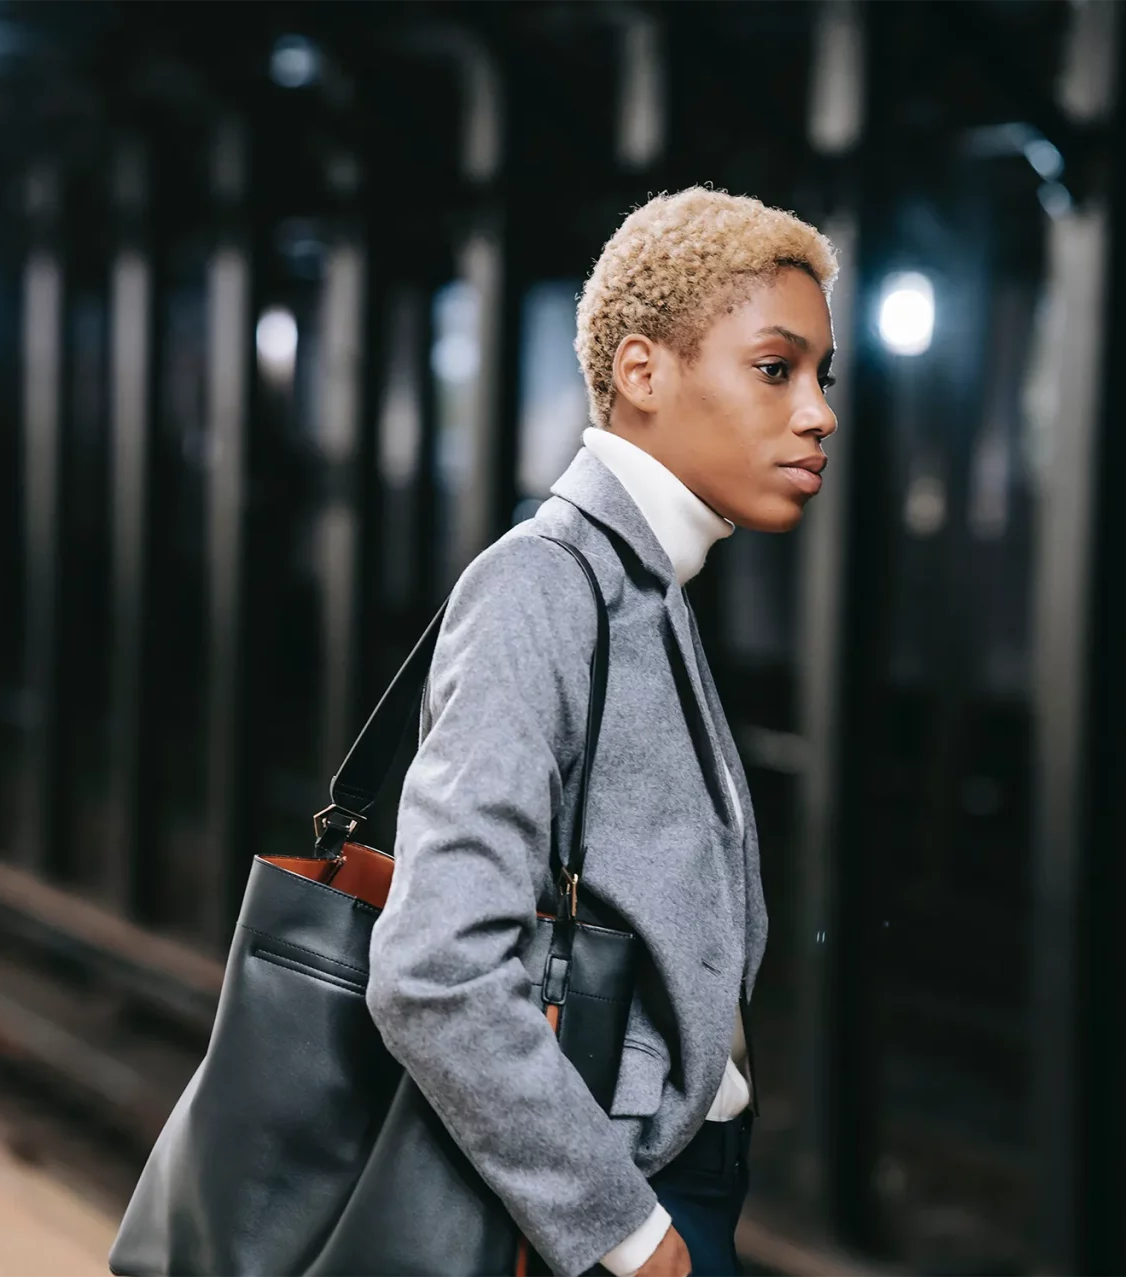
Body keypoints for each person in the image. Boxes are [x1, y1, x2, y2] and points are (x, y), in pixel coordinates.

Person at [367, 188, 838, 1277]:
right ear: (641, 374)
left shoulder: (644, 588)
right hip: (608, 1207)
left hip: (667, 1178)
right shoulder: (542, 587)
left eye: (821, 376)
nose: (816, 412)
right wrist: (624, 1234)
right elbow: (433, 964)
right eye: (776, 368)